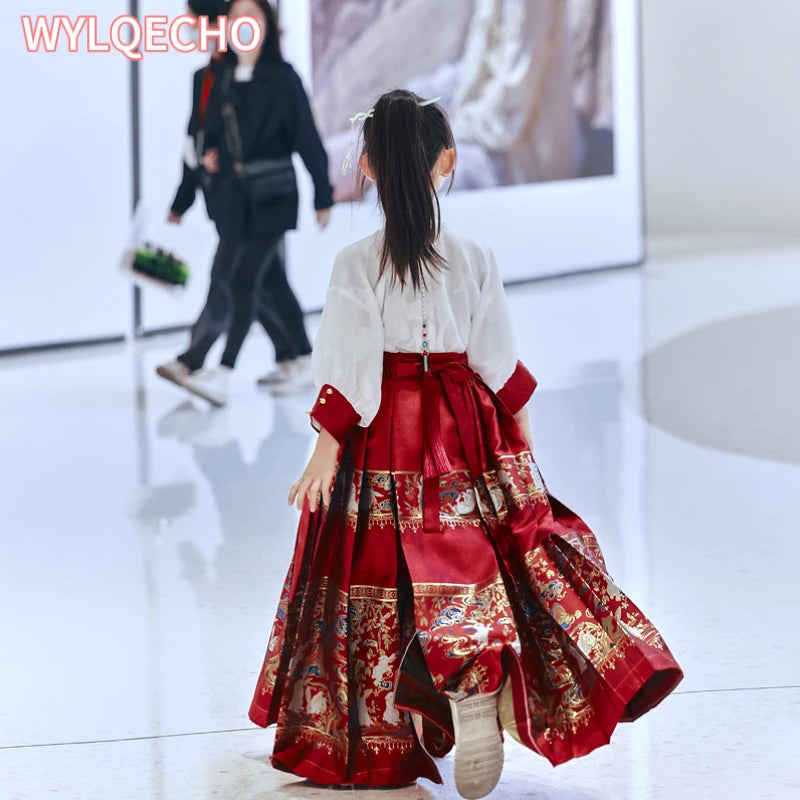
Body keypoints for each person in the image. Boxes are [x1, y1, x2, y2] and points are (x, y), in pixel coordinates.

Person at [247, 90, 683, 798]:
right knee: (475, 557)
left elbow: (352, 370)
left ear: (367, 168)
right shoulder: (474, 257)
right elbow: (497, 362)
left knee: (381, 570)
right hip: (463, 429)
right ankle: (472, 676)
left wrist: (325, 449)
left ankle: (399, 718)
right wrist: (522, 452)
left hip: (385, 432)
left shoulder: (356, 263)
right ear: (446, 163)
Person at [157, 0, 333, 406]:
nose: (242, 26)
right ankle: (300, 358)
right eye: (235, 20)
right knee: (268, 282)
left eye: (251, 19)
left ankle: (221, 368)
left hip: (273, 197)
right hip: (234, 202)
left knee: (238, 279)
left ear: (267, 26)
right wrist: (192, 186)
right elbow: (203, 141)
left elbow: (307, 137)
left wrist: (322, 194)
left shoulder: (283, 77)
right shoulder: (217, 78)